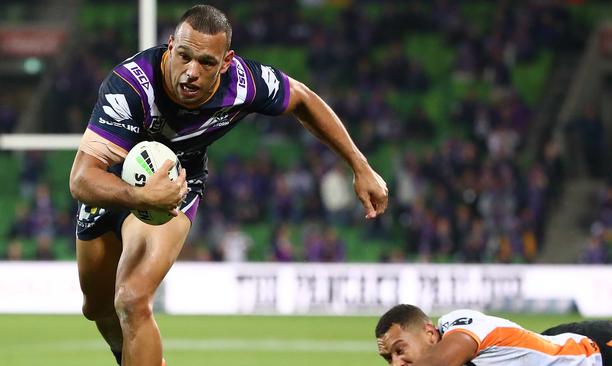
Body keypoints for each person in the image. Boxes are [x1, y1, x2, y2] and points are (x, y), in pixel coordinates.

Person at [69, 5, 388, 366]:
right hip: (112, 183)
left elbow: (302, 98)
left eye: (206, 62)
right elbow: (81, 178)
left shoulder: (244, 82)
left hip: (177, 185)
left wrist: (361, 166)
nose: (191, 72)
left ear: (225, 62)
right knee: (97, 307)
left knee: (131, 298)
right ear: (170, 45)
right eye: (184, 56)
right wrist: (139, 194)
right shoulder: (130, 85)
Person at [375, 304, 612, 366]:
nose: (396, 363)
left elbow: (442, 360)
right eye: (389, 359)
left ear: (430, 333)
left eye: (400, 350)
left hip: (603, 352)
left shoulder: (458, 325)